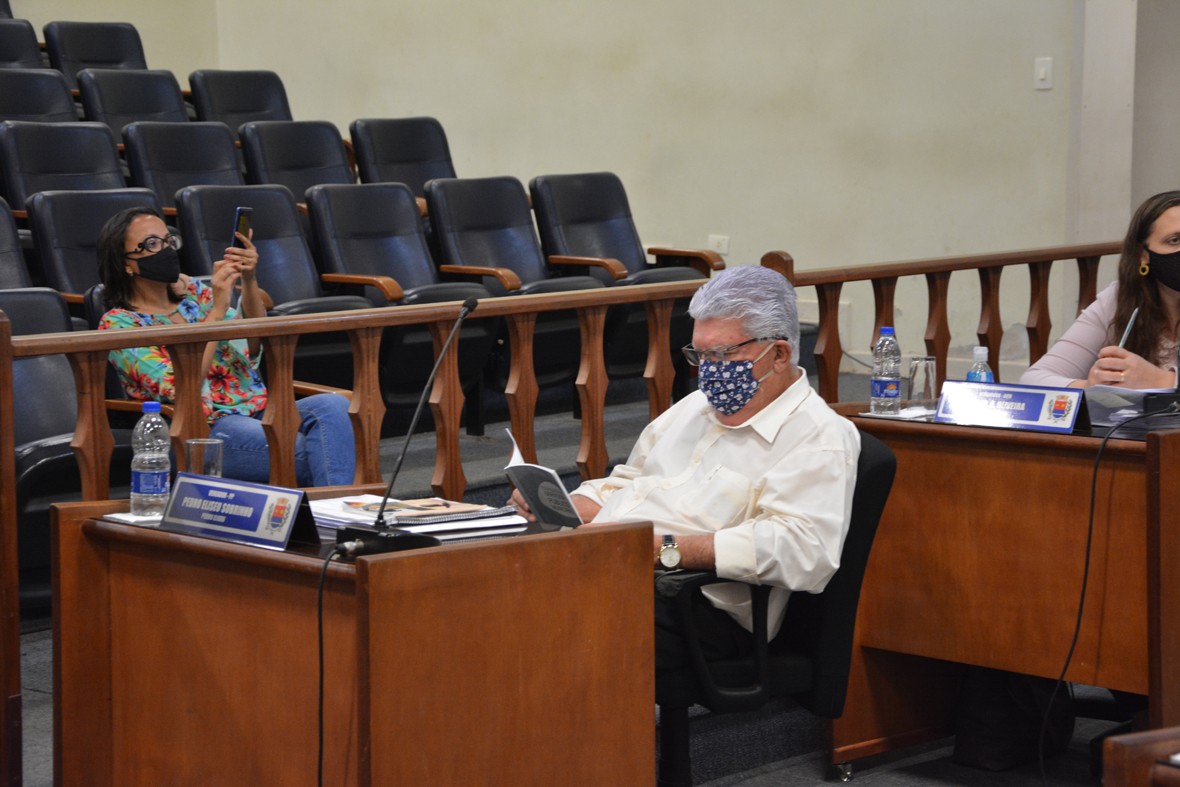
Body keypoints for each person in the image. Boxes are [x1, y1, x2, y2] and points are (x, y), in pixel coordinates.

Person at [511, 265, 860, 669]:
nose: (708, 369)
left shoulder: (817, 436)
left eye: (722, 355)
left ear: (779, 354)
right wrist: (565, 504)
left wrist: (664, 550)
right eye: (700, 354)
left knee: (537, 612)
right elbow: (632, 480)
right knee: (493, 578)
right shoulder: (695, 407)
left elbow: (802, 552)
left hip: (697, 605)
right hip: (618, 564)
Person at [96, 206, 355, 487]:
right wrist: (217, 311)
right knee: (317, 450)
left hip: (258, 408)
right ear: (125, 263)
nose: (166, 250)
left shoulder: (194, 295)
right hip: (203, 427)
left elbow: (253, 343)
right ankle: (337, 509)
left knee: (334, 406)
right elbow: (181, 385)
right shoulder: (120, 324)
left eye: (168, 240)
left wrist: (249, 279)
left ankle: (332, 509)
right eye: (152, 244)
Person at [1021, 190, 1180, 389]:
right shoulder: (1120, 299)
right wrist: (1091, 385)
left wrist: (1162, 382)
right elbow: (1034, 379)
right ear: (1143, 255)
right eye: (1174, 240)